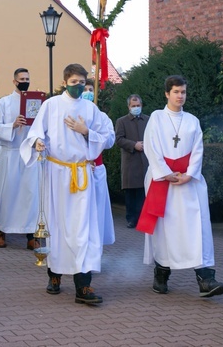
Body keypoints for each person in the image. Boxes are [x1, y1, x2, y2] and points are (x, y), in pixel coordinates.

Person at [21, 63, 114, 305]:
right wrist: (38, 142)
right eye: (74, 83)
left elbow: (109, 138)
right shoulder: (51, 105)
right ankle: (54, 275)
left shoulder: (91, 109)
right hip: (57, 174)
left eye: (83, 82)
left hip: (82, 175)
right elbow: (35, 132)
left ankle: (83, 285)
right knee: (58, 226)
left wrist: (87, 132)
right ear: (65, 82)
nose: (79, 87)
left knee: (84, 229)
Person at [138, 75, 223, 298]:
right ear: (167, 94)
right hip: (162, 182)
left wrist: (190, 174)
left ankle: (206, 279)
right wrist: (165, 173)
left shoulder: (192, 121)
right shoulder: (157, 118)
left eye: (183, 92)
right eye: (176, 92)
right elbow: (151, 147)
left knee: (197, 227)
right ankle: (162, 272)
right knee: (165, 229)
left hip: (187, 183)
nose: (180, 96)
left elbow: (198, 149)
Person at [0, 68, 40, 249]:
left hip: (29, 155)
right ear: (14, 81)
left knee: (30, 195)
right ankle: (1, 231)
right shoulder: (4, 103)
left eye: (27, 78)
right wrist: (12, 125)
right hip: (10, 153)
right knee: (7, 193)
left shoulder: (36, 102)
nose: (25, 81)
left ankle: (31, 235)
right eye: (21, 79)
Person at [82, 80, 115, 247]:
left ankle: (96, 249)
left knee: (97, 210)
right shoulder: (72, 115)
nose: (87, 92)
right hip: (77, 170)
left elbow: (109, 141)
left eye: (90, 89)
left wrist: (90, 133)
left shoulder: (102, 117)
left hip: (97, 170)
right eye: (85, 89)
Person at [115, 94, 150, 228]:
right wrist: (133, 145)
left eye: (138, 105)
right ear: (129, 107)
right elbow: (118, 139)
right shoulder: (122, 121)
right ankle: (131, 219)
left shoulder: (148, 120)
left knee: (143, 191)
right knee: (130, 193)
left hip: (145, 161)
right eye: (133, 106)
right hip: (130, 161)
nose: (136, 108)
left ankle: (143, 218)